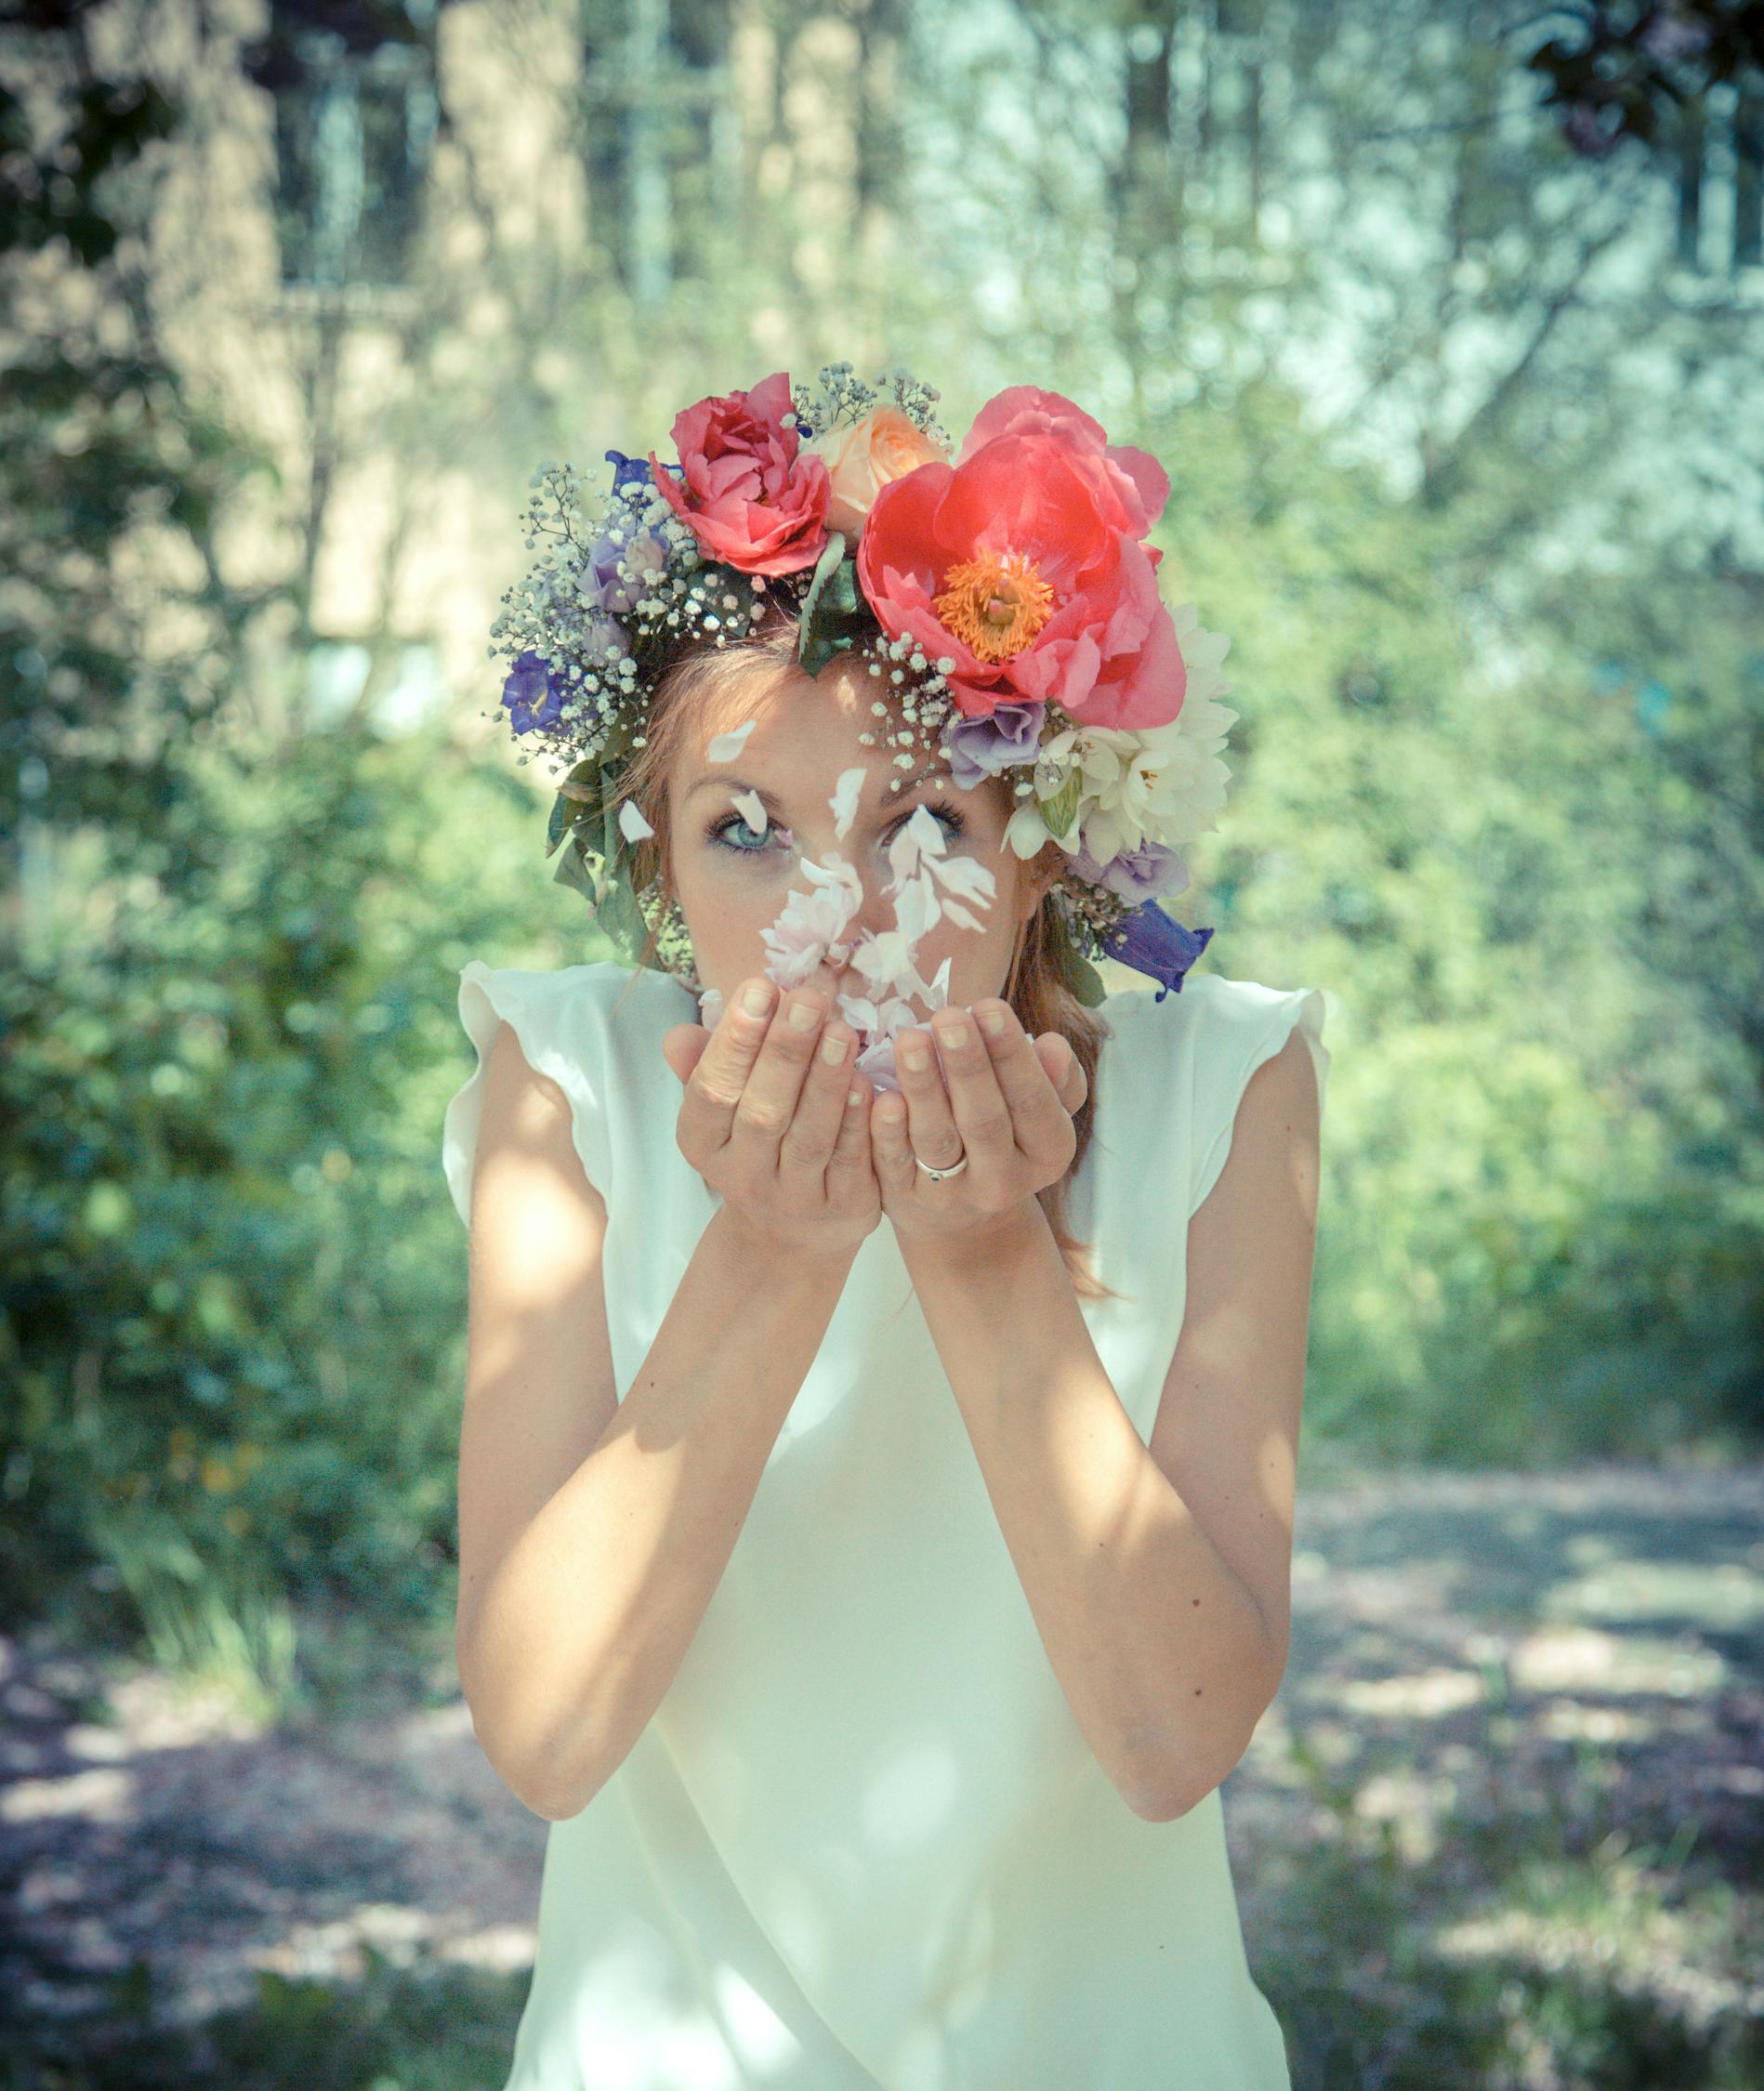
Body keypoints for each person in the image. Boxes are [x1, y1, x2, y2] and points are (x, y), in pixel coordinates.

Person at [441, 364, 1331, 2088]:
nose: (831, 920)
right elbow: (546, 1736)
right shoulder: (570, 1079)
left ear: (1041, 856)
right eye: (744, 834)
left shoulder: (1224, 1089)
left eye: (921, 819)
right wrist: (768, 1251)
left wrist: (987, 1254)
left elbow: (1173, 1740)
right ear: (653, 866)